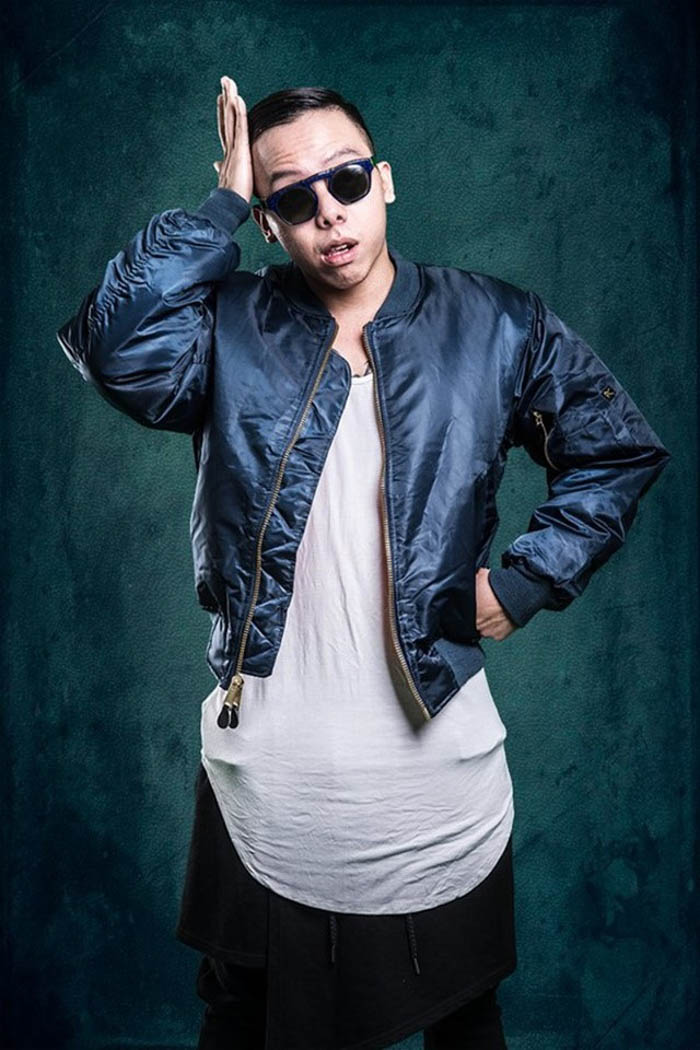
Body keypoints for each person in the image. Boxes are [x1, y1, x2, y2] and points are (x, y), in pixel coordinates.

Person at [55, 77, 671, 1050]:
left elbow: (616, 449)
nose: (328, 214)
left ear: (384, 180)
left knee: (462, 1016)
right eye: (291, 198)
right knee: (243, 1016)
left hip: (437, 767)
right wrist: (219, 201)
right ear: (269, 223)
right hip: (268, 766)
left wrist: (525, 581)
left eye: (345, 180)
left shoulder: (497, 323)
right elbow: (112, 342)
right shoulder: (226, 328)